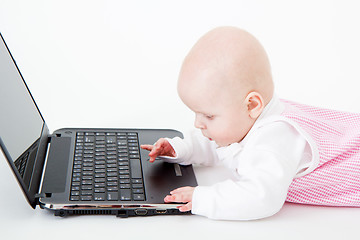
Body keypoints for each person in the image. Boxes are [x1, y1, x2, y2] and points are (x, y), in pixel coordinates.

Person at [141, 26, 360, 220]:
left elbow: (260, 198)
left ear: (252, 105)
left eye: (208, 116)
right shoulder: (248, 119)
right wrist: (181, 147)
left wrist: (204, 198)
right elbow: (219, 143)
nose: (198, 124)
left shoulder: (272, 140)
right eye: (196, 114)